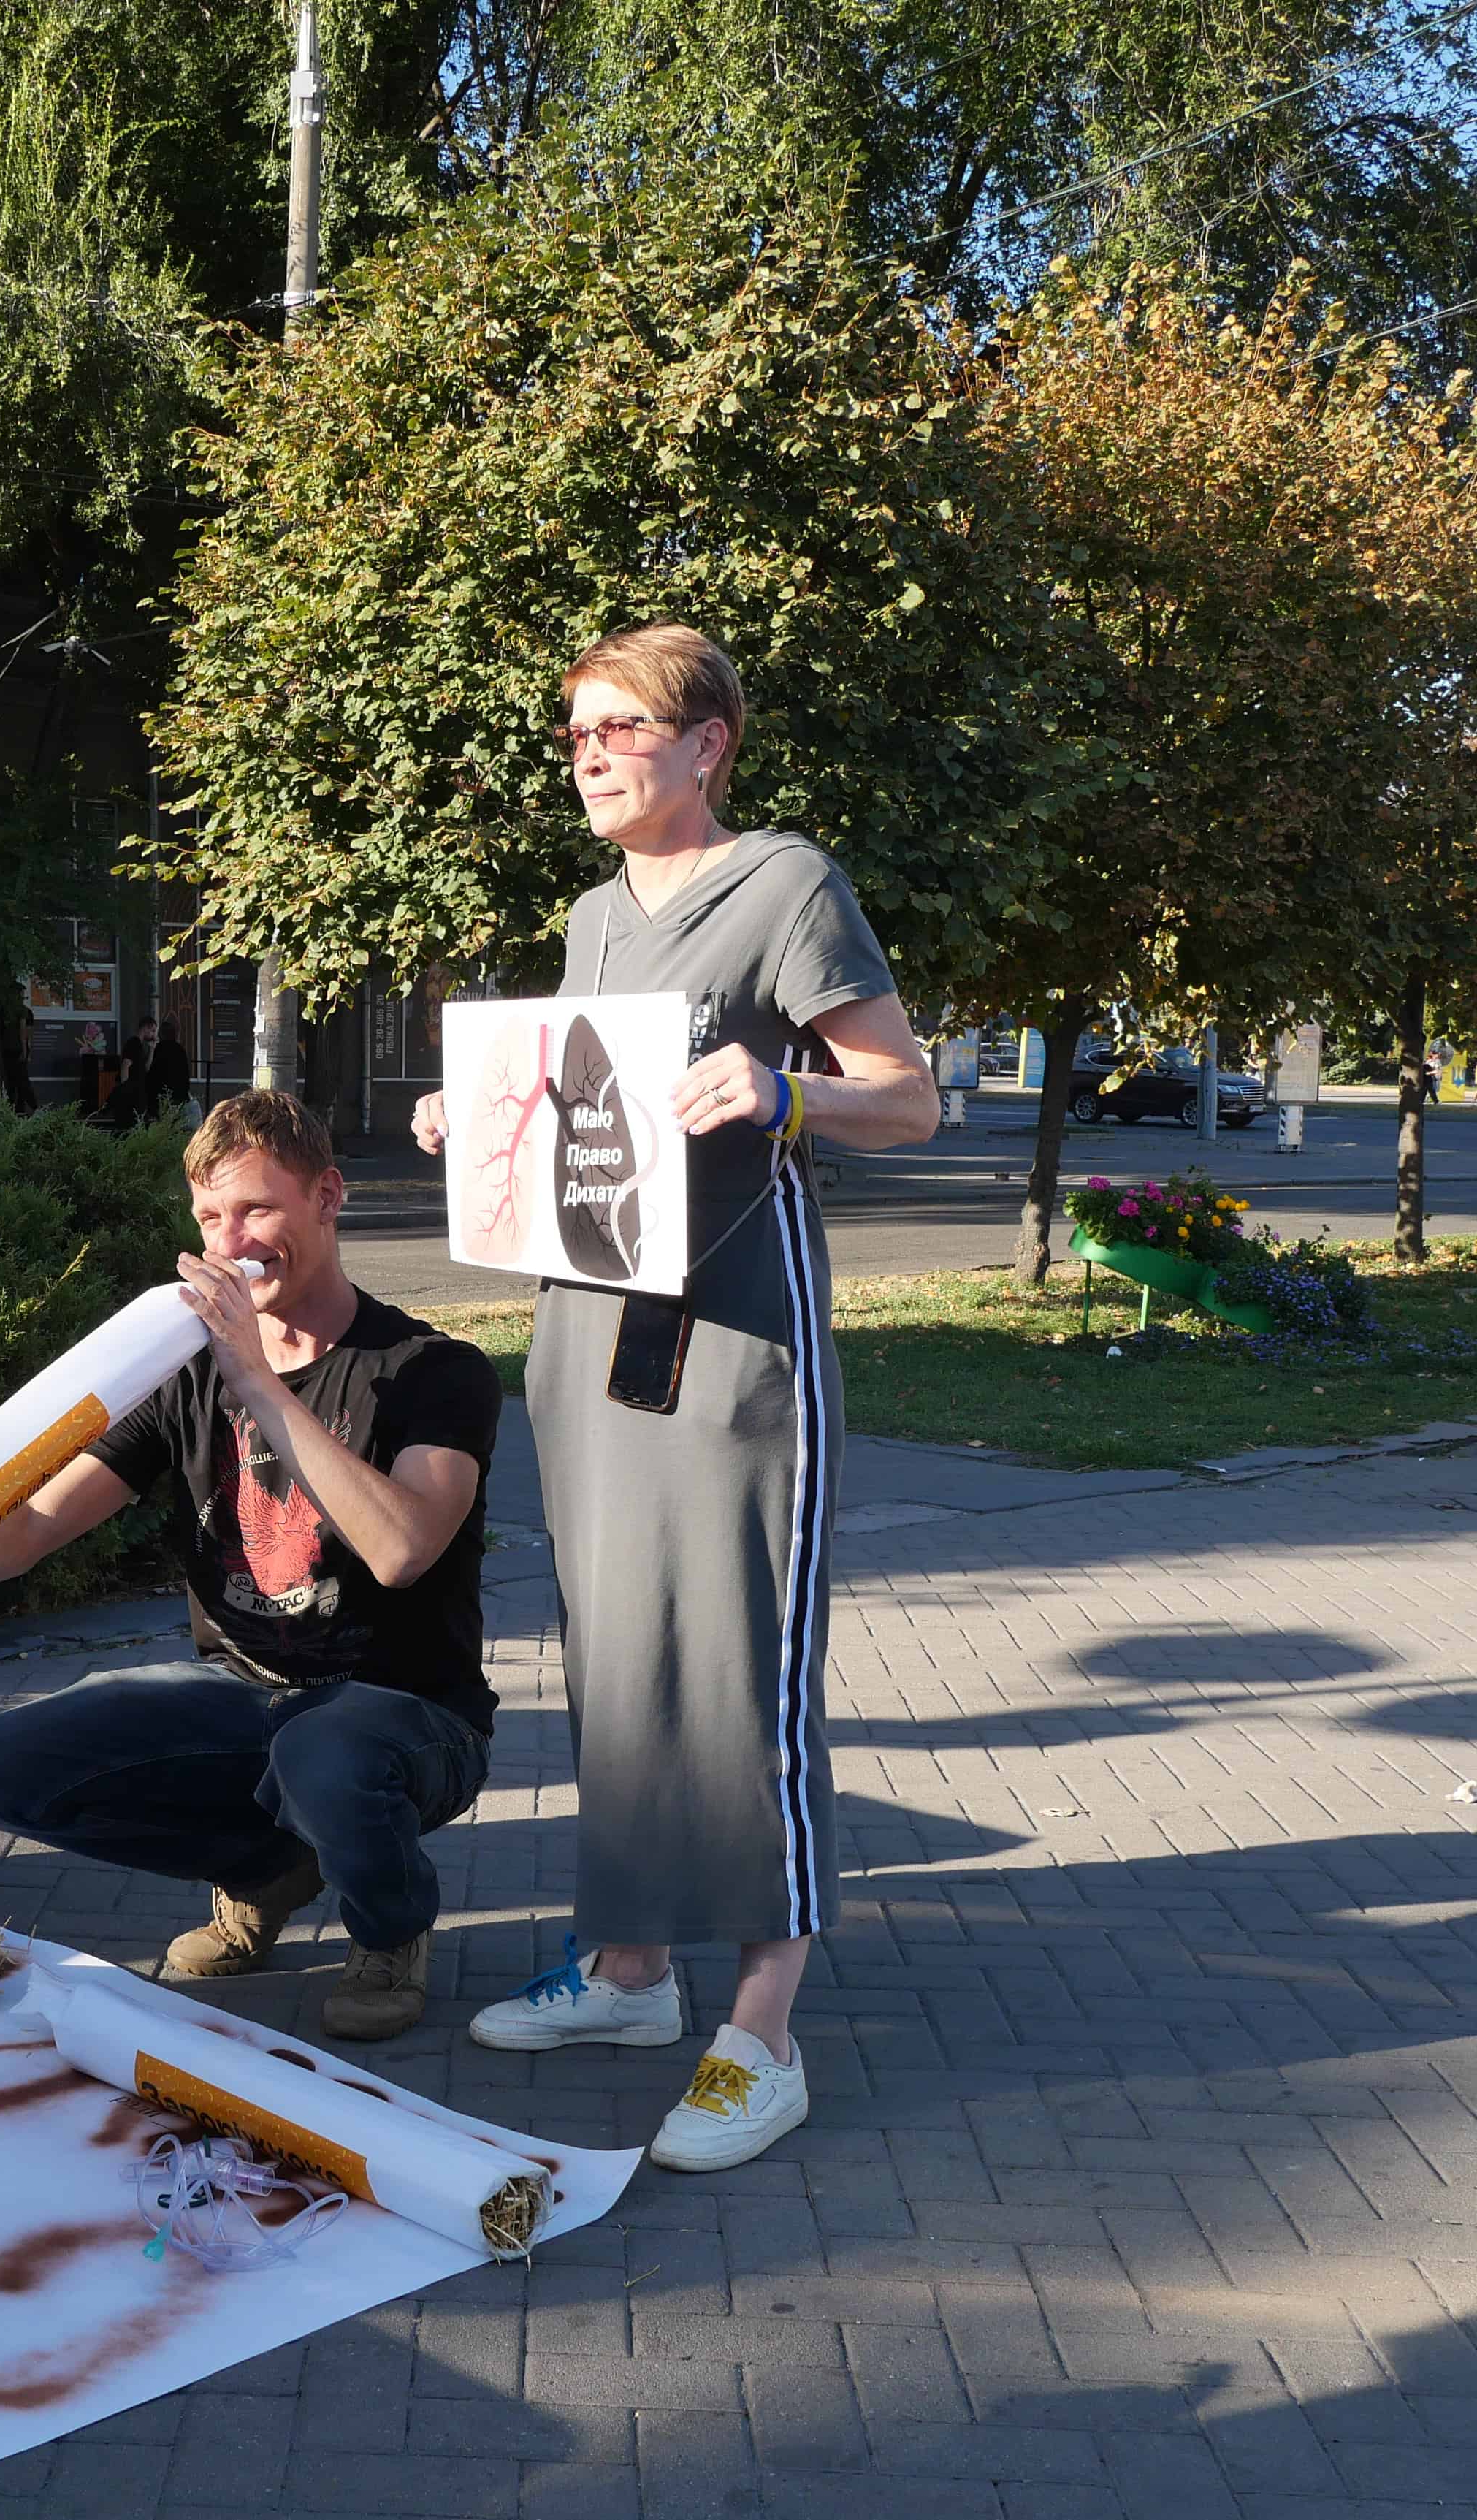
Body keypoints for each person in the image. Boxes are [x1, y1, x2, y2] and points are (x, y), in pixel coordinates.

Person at [411, 624, 936, 2171]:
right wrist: (480, 1108)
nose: (588, 751)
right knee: (618, 1652)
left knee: (737, 1659)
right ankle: (633, 1970)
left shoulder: (784, 882)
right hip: (592, 1337)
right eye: (574, 729)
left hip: (732, 1340)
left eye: (622, 726)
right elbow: (596, 1109)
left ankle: (761, 2032)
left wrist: (793, 1093)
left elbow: (908, 1097)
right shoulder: (589, 917)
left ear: (708, 744)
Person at [0, 1089, 501, 2041]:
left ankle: (390, 1927)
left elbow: (405, 1550)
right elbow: (26, 1533)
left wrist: (259, 1382)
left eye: (257, 1208)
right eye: (210, 1217)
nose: (231, 1237)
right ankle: (267, 1871)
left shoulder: (435, 1369)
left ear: (327, 1197)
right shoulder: (186, 1375)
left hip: (407, 1715)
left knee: (322, 1750)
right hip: (241, 1695)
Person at [145, 1014, 194, 1124]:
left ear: (161, 1034)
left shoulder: (158, 1049)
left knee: (161, 1125)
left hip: (161, 1097)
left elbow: (152, 1073)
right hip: (178, 1096)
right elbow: (185, 1074)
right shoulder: (180, 1049)